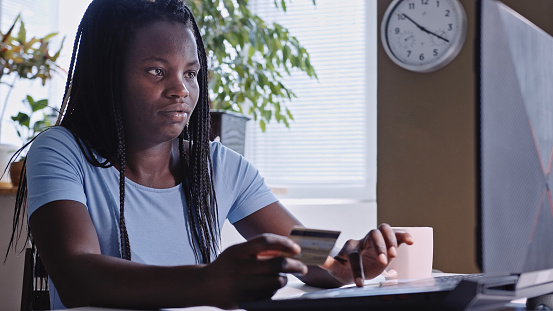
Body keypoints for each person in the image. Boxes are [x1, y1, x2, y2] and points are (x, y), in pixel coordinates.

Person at [8, 0, 413, 309]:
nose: (180, 89)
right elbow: (76, 273)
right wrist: (210, 282)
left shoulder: (221, 167)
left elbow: (308, 257)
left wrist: (352, 260)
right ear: (107, 76)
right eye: (156, 71)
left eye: (190, 72)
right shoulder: (62, 152)